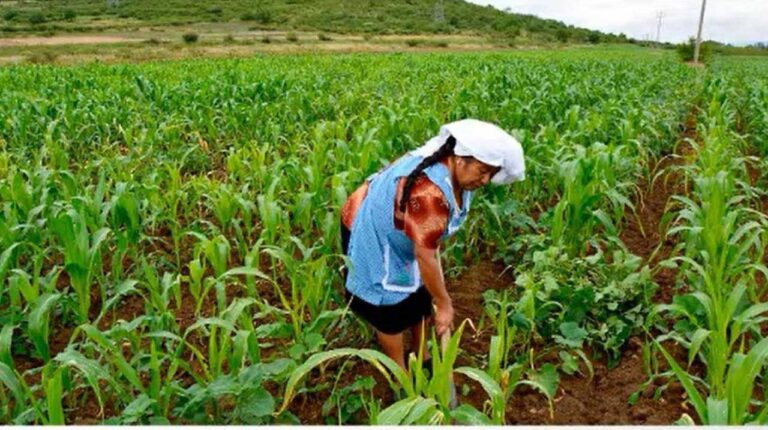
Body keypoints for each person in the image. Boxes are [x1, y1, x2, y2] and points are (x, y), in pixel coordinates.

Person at [340, 119, 525, 371]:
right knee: (388, 312)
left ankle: (421, 355)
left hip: (402, 233)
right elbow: (425, 255)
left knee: (419, 295)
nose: (484, 180)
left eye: (490, 174)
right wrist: (445, 303)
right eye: (481, 171)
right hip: (371, 226)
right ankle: (400, 376)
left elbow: (429, 247)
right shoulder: (429, 194)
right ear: (460, 159)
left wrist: (438, 295)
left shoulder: (456, 174)